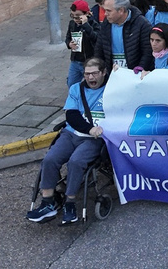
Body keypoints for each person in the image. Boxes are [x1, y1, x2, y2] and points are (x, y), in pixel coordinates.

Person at [26, 58, 108, 225]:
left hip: (94, 139)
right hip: (72, 133)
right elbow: (71, 115)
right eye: (87, 74)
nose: (90, 77)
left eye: (94, 74)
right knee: (50, 159)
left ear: (103, 73)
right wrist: (89, 128)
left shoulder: (112, 89)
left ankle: (70, 203)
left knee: (76, 162)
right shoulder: (76, 89)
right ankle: (47, 203)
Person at [93, 0, 153, 73]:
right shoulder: (106, 24)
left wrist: (139, 69)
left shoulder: (142, 24)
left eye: (108, 11)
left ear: (121, 10)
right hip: (112, 72)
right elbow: (99, 48)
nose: (105, 14)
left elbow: (147, 51)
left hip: (135, 73)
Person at [65, 0, 97, 87]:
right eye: (73, 16)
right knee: (71, 83)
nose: (75, 19)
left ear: (86, 14)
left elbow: (96, 38)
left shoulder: (93, 24)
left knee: (91, 84)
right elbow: (68, 37)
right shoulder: (72, 24)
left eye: (78, 16)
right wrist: (69, 44)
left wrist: (85, 25)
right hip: (75, 60)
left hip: (88, 60)